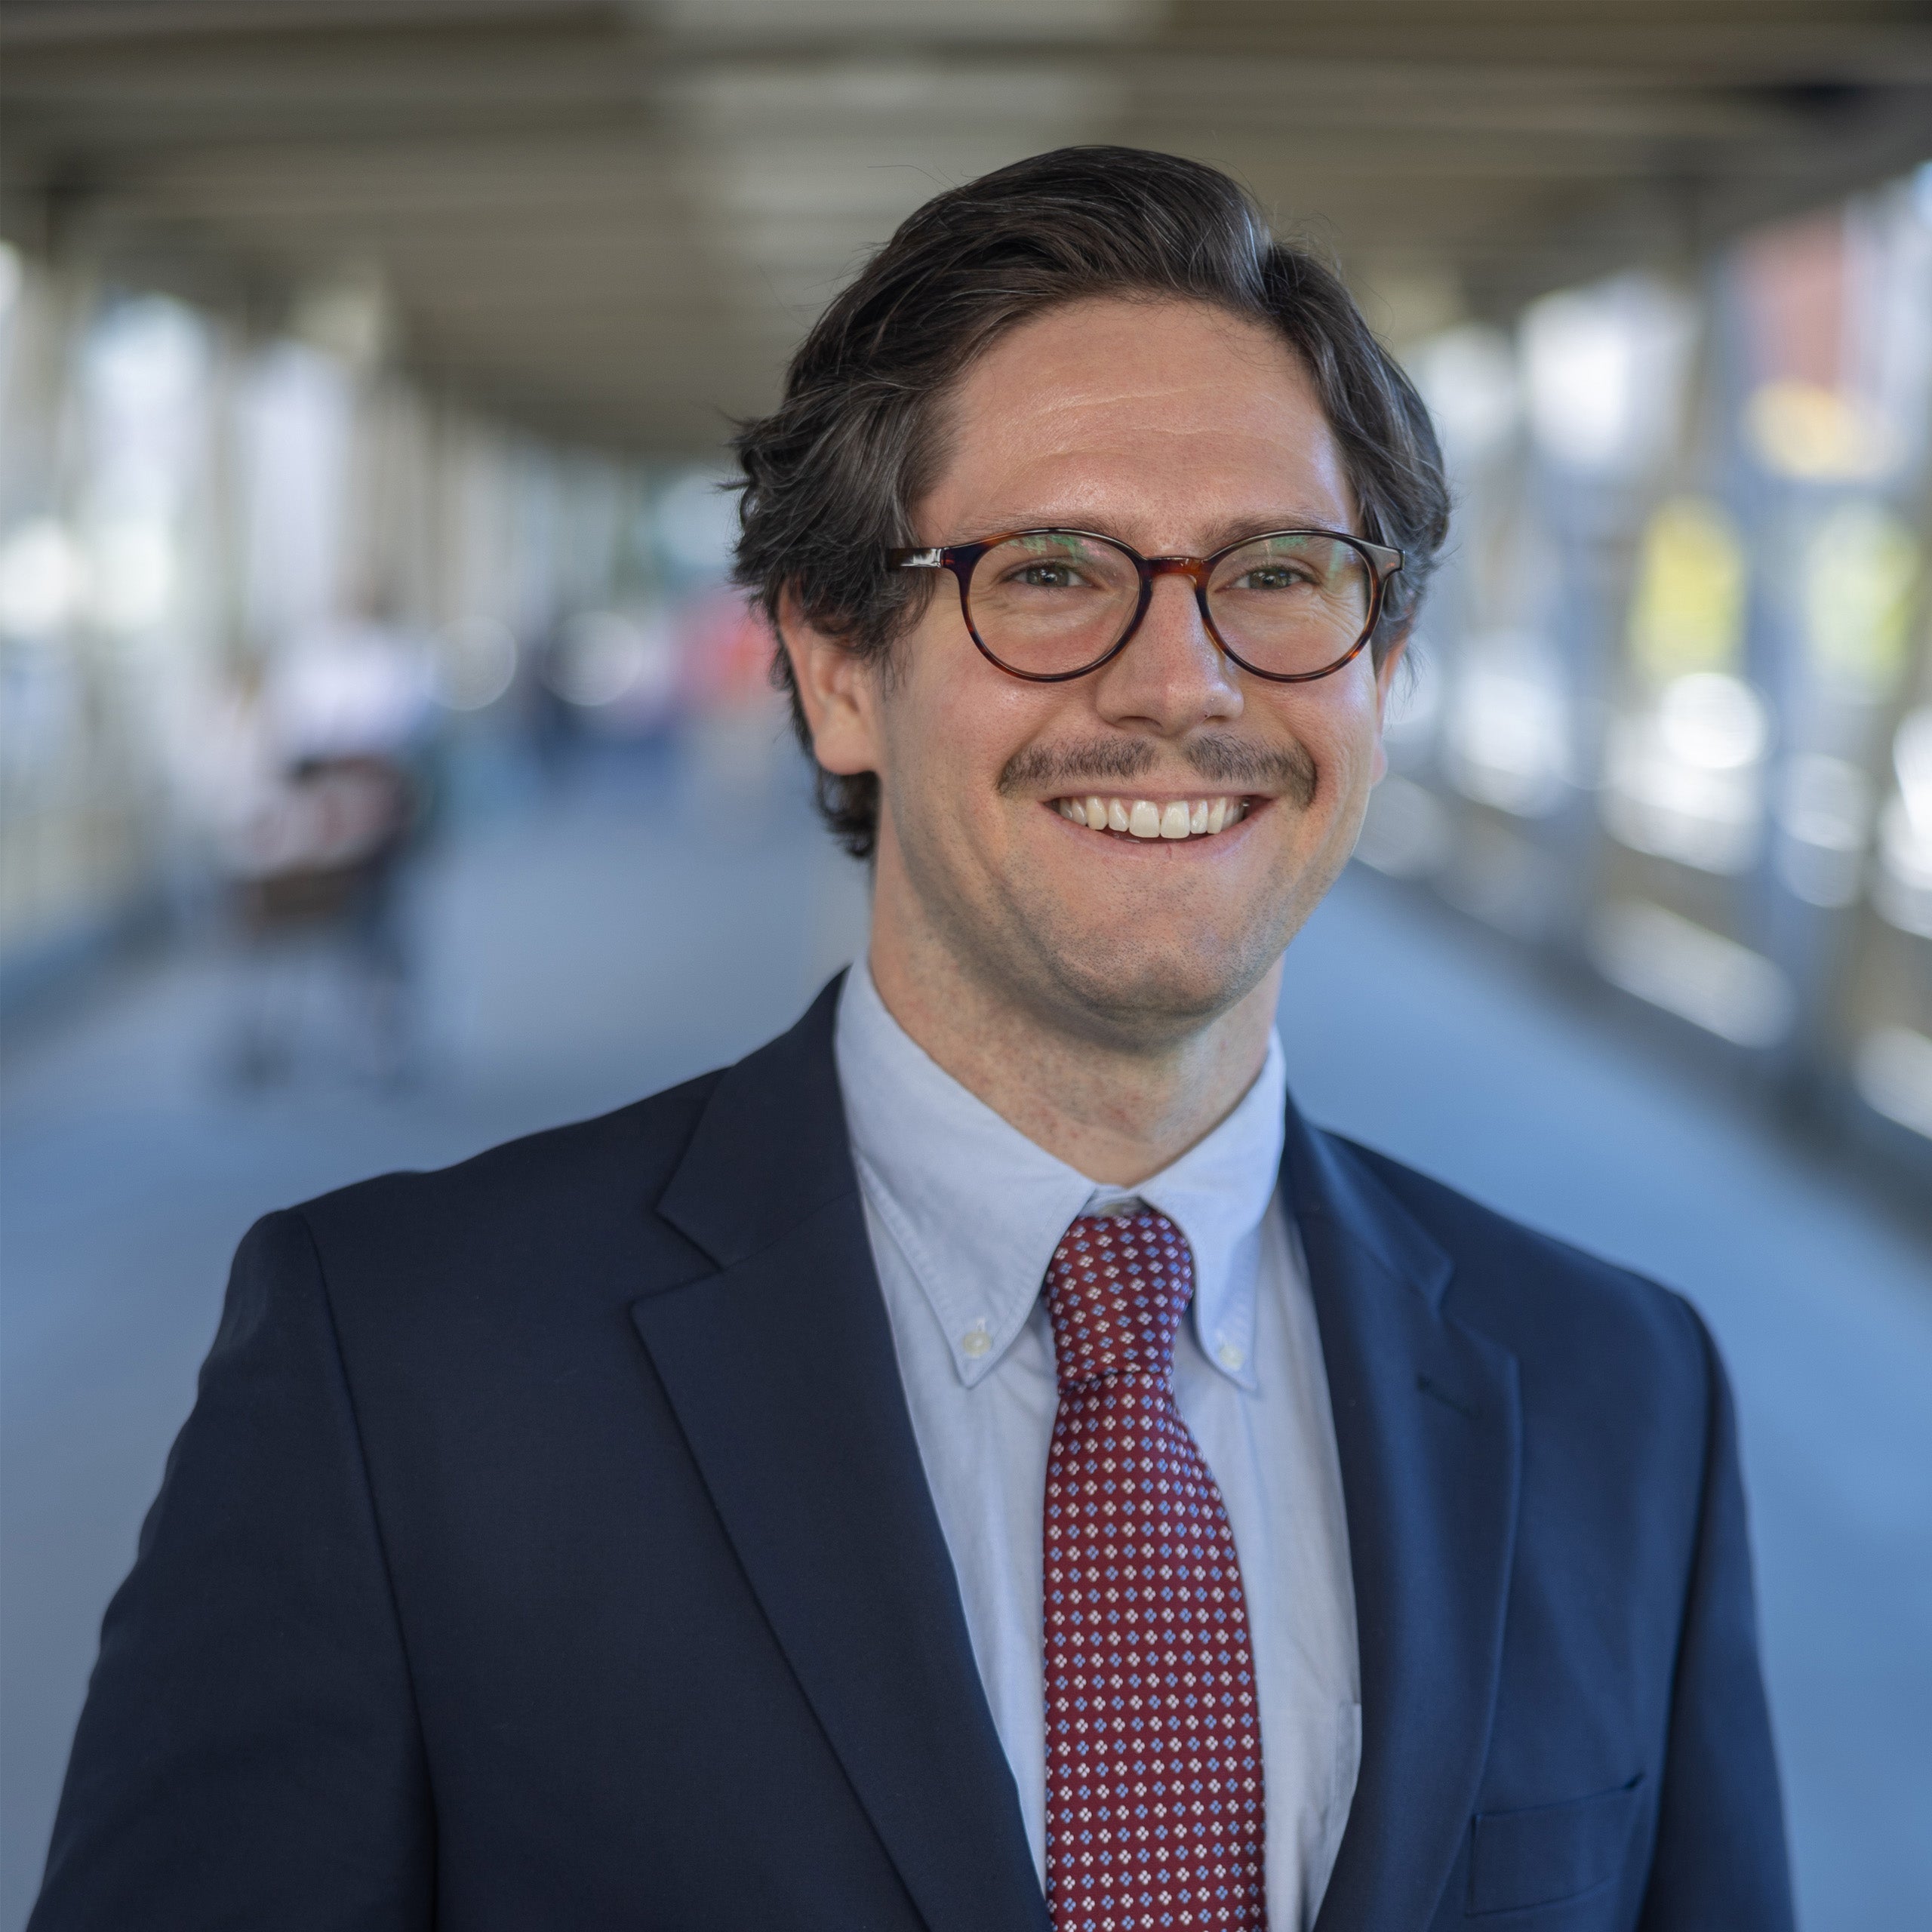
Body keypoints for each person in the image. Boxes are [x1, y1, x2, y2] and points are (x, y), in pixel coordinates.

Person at [31, 150, 1792, 1932]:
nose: (1180, 683)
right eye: (1046, 571)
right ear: (833, 665)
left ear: (1382, 672)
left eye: (1275, 570)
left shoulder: (1618, 1394)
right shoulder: (394, 1373)